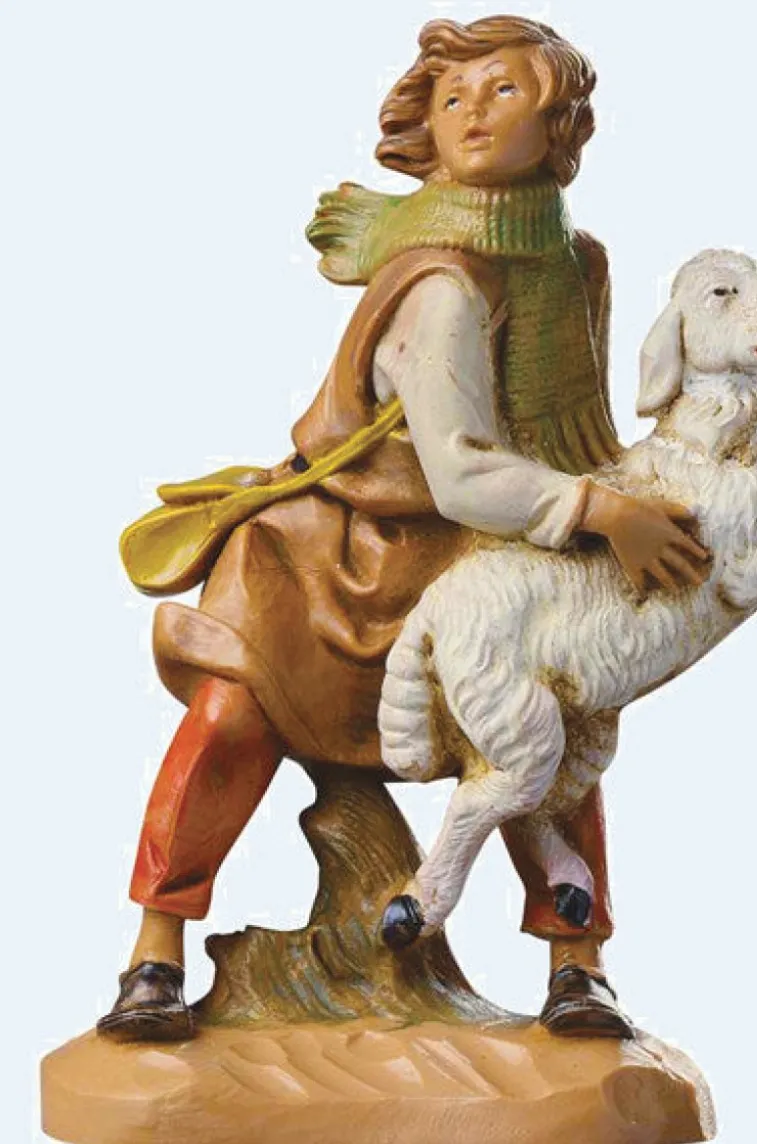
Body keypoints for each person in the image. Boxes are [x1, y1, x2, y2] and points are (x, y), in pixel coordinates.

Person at [97, 15, 709, 1044]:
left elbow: (574, 432)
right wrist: (601, 512)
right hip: (342, 552)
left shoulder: (575, 265)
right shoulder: (440, 284)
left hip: (489, 548)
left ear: (559, 123)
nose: (472, 114)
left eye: (505, 92)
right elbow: (462, 468)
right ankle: (153, 954)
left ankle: (577, 960)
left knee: (552, 718)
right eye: (452, 97)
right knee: (232, 717)